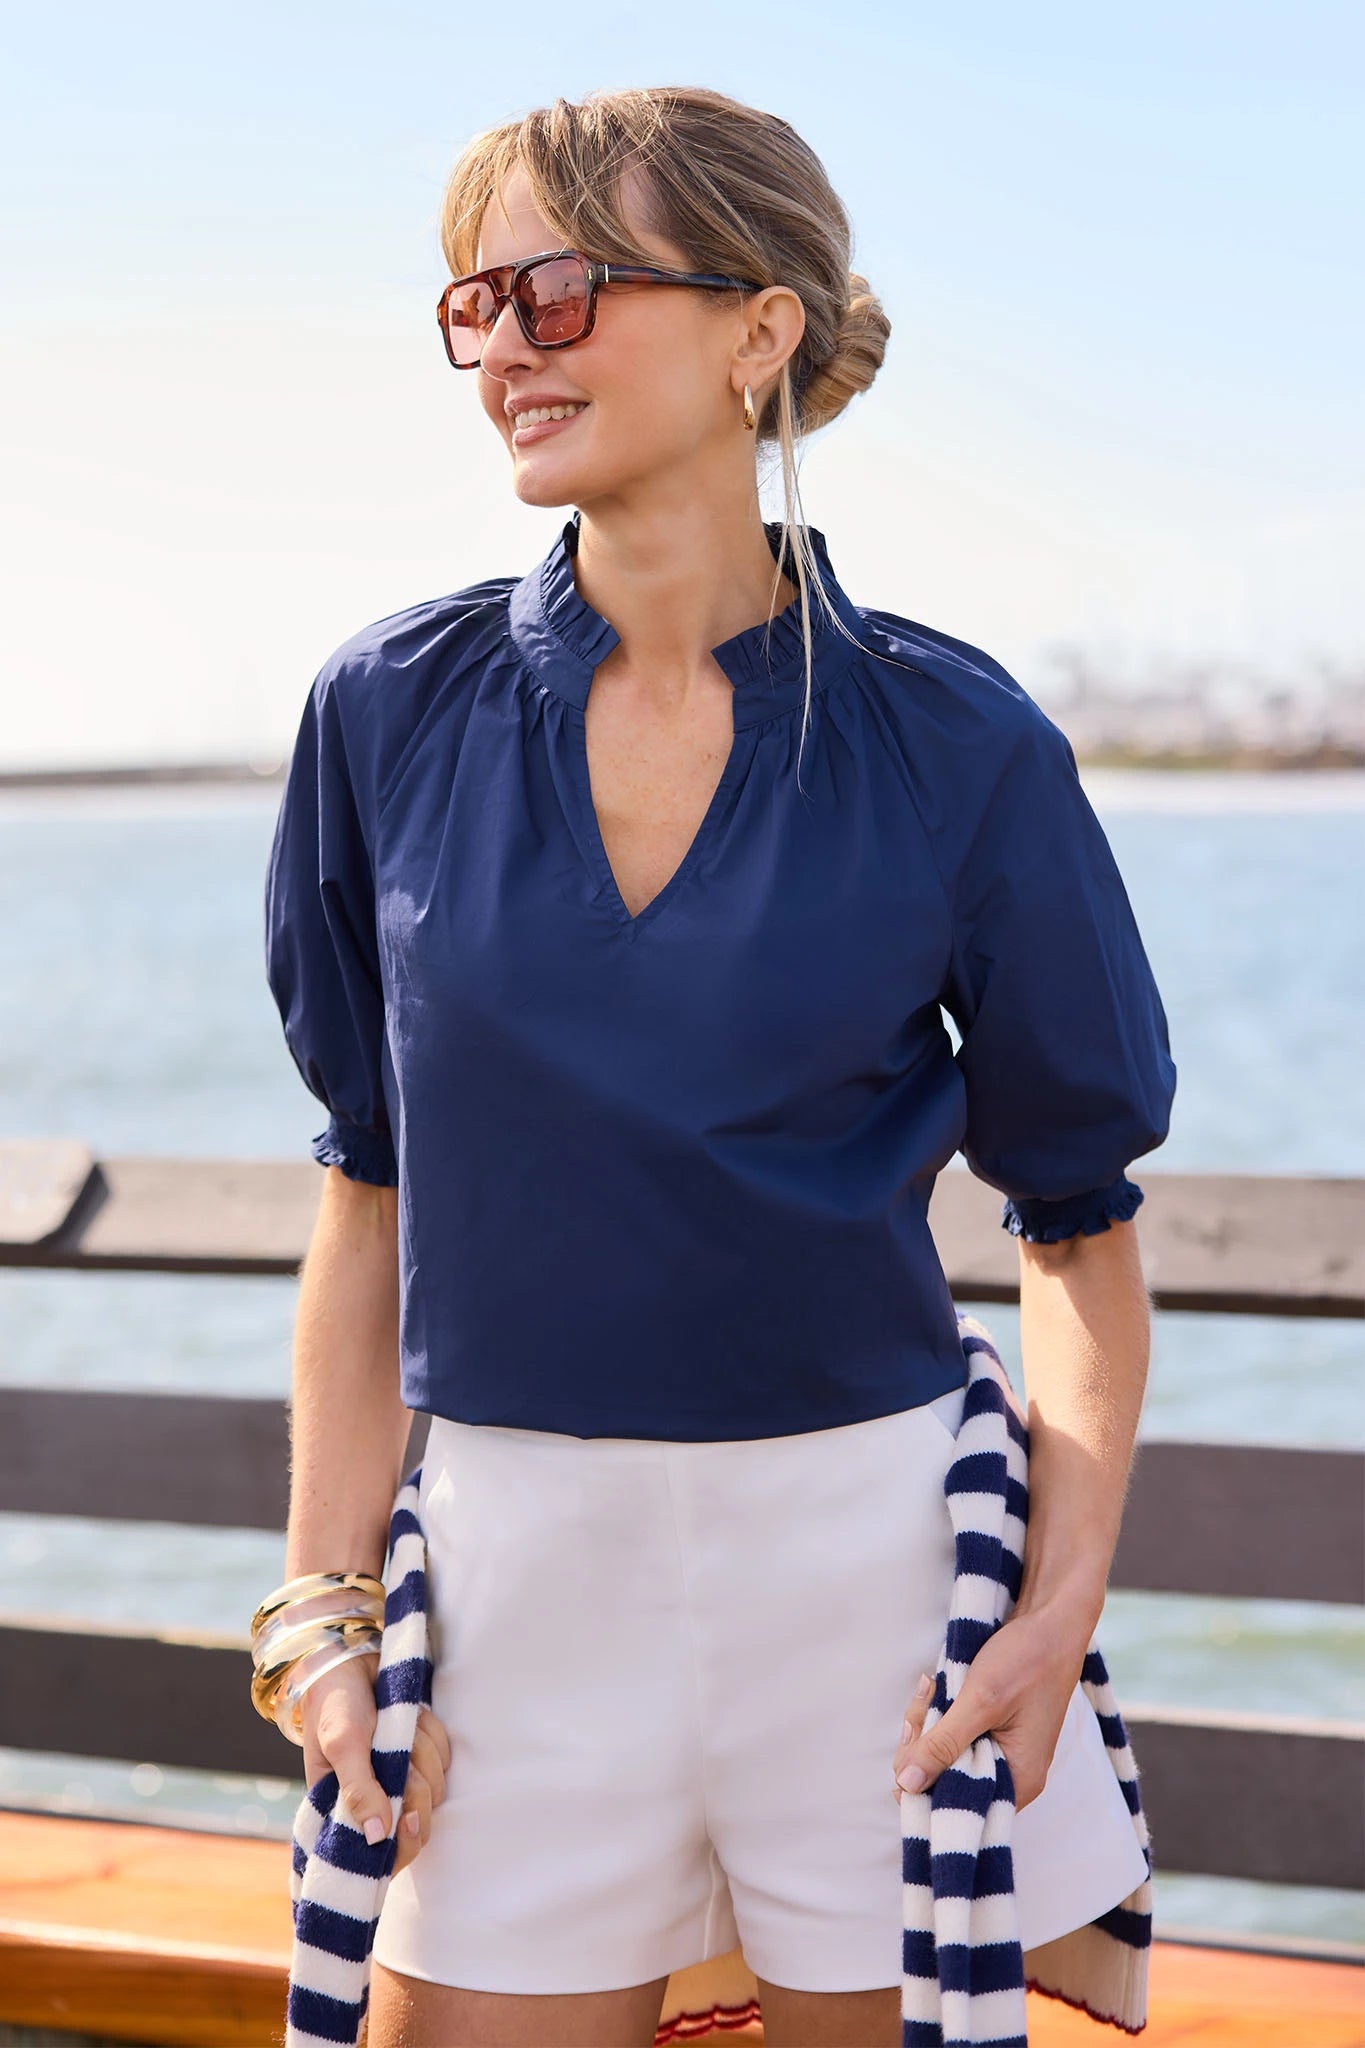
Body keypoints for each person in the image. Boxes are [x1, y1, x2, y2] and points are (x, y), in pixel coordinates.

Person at [262, 84, 1176, 2048]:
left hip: (862, 1596)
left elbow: (1076, 1226)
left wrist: (1055, 1605)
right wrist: (322, 1616)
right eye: (473, 302)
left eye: (562, 287)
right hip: (509, 1598)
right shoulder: (382, 714)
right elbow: (365, 1188)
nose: (505, 341)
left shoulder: (956, 744)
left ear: (759, 328)